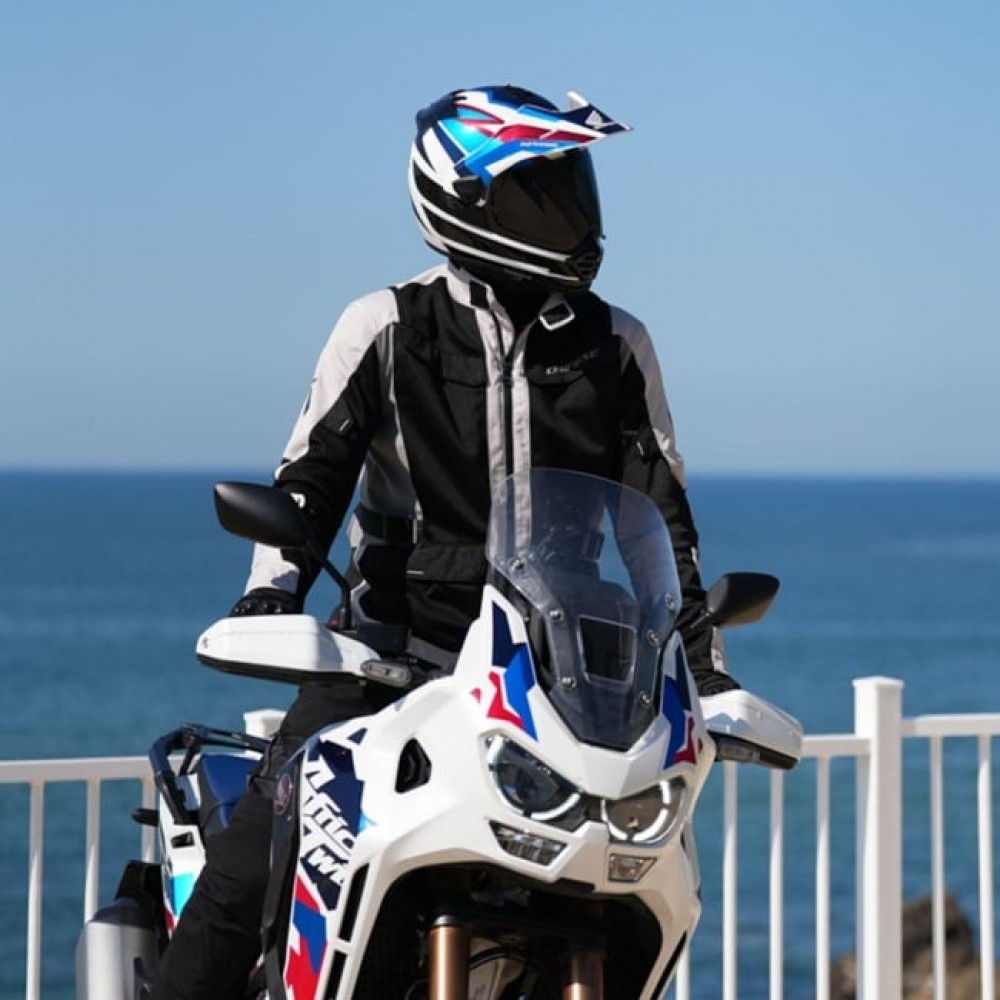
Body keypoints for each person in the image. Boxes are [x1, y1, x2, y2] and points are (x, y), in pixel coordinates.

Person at [150, 83, 740, 1000]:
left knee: (624, 886)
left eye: (569, 189)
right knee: (254, 858)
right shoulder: (386, 325)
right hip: (391, 656)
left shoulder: (618, 344)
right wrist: (270, 600)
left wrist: (703, 668)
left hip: (551, 679)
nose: (570, 215)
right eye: (540, 194)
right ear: (465, 201)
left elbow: (661, 515)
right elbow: (307, 483)